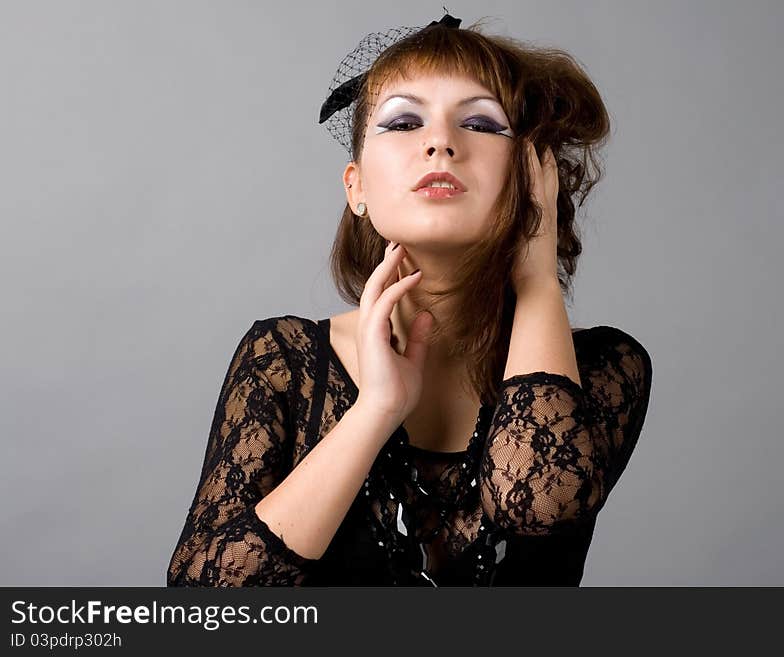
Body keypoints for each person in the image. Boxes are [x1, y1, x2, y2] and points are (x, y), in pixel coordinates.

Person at [166, 12, 652, 586]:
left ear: (530, 176)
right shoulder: (283, 360)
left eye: (480, 122)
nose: (441, 142)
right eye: (402, 122)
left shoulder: (604, 366)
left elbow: (537, 505)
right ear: (358, 187)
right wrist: (374, 412)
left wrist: (539, 282)